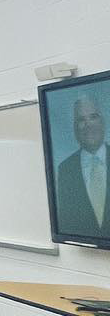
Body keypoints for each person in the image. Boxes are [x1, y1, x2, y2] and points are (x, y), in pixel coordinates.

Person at [55, 96, 110, 238]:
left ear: (102, 122)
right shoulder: (66, 169)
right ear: (75, 128)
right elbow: (66, 222)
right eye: (81, 120)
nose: (88, 125)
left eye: (93, 117)